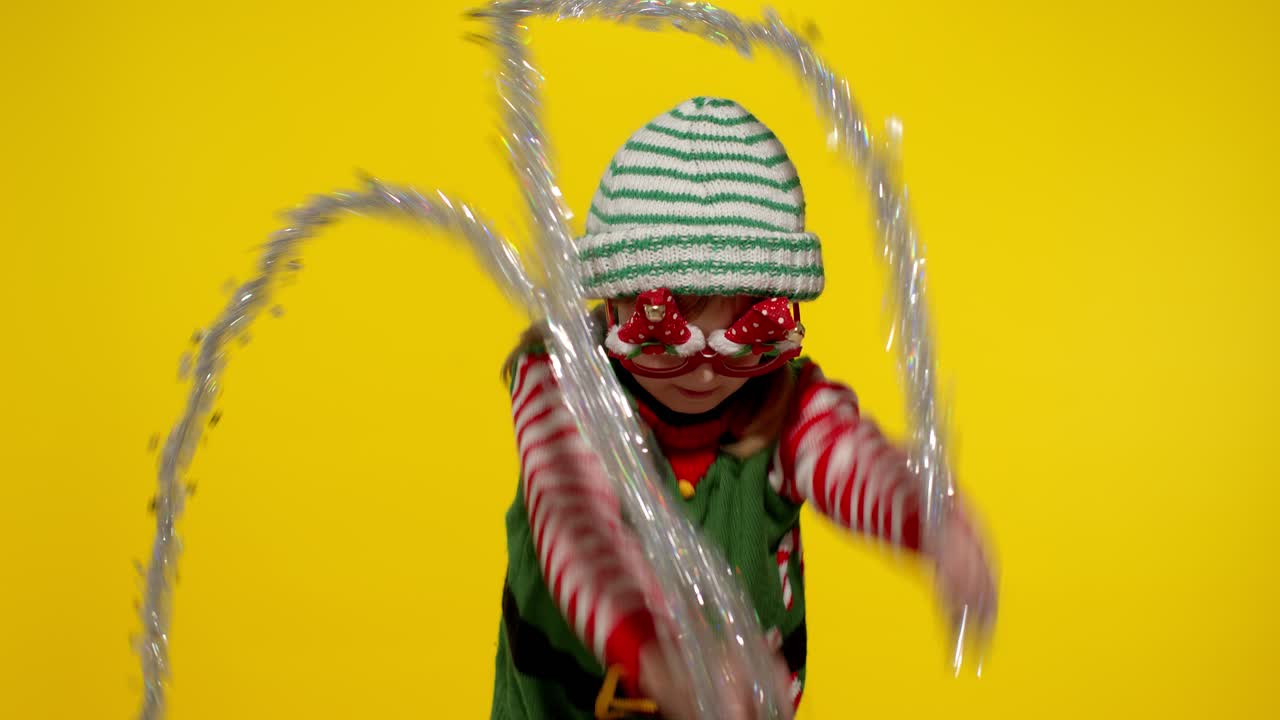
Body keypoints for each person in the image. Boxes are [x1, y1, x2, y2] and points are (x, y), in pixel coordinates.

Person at [491, 97, 993, 720]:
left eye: (752, 336)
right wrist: (666, 657)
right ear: (611, 302)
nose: (705, 369)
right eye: (665, 334)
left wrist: (931, 521)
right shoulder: (561, 390)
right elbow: (573, 523)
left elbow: (849, 456)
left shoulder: (785, 402)